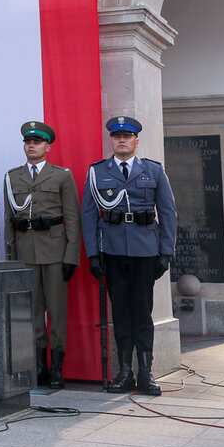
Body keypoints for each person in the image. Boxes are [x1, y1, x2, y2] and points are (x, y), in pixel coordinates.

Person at [81, 116, 177, 397]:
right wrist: (93, 254)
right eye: (116, 136)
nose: (121, 140)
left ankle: (145, 372)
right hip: (111, 251)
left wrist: (166, 251)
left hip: (146, 251)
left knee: (142, 313)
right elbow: (88, 215)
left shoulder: (154, 171)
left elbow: (168, 213)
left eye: (127, 136)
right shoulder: (97, 172)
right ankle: (125, 372)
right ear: (111, 141)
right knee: (121, 313)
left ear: (136, 141)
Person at [3, 121, 81, 389]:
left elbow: (72, 218)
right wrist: (12, 258)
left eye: (36, 142)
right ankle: (40, 366)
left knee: (57, 313)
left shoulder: (61, 176)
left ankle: (57, 366)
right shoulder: (12, 177)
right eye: (27, 142)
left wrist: (72, 256)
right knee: (33, 313)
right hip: (26, 253)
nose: (31, 146)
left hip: (55, 252)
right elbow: (9, 220)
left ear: (48, 146)